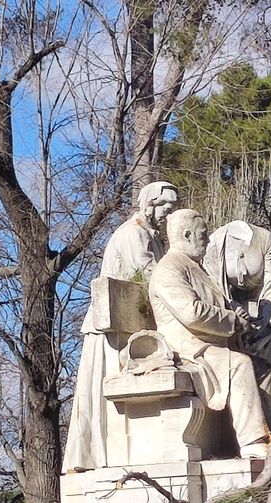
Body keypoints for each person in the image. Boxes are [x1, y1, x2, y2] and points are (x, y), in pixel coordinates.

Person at [64, 181, 178, 472]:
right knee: (102, 395)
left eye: (172, 207)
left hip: (130, 325)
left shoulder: (150, 236)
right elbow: (154, 277)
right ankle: (97, 458)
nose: (169, 212)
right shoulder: (133, 234)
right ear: (150, 204)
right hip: (112, 329)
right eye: (165, 206)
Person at [149, 209, 270, 458]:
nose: (207, 240)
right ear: (187, 235)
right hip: (188, 347)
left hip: (211, 343)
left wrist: (238, 314)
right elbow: (192, 313)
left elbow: (219, 302)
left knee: (265, 368)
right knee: (239, 365)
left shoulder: (194, 267)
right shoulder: (169, 269)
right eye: (203, 235)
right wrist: (232, 320)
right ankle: (253, 443)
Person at [204, 220, 271, 431]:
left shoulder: (264, 238)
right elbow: (215, 287)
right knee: (250, 371)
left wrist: (264, 318)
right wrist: (234, 310)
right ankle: (259, 429)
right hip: (235, 313)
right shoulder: (214, 242)